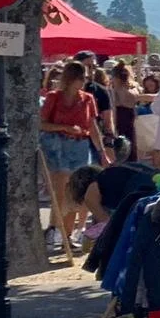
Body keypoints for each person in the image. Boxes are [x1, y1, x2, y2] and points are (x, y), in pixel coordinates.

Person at [41, 61, 105, 252]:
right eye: (81, 77)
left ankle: (67, 237)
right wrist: (65, 128)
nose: (84, 81)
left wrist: (102, 151)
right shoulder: (54, 97)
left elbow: (93, 127)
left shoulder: (88, 99)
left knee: (75, 194)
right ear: (72, 78)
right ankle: (53, 231)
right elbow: (42, 124)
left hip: (80, 147)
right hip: (57, 146)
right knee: (60, 193)